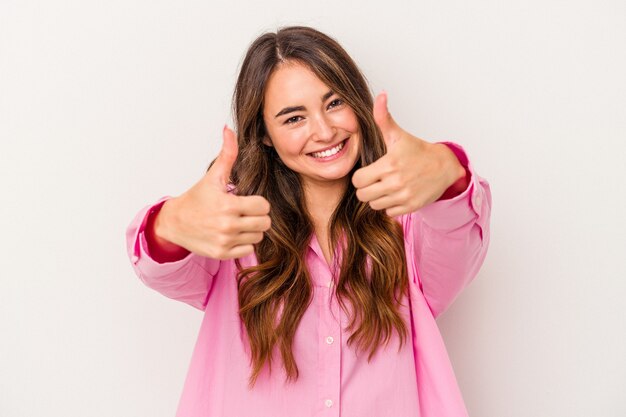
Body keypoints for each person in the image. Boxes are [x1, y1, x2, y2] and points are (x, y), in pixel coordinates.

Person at [126, 26, 491, 417]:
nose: (323, 130)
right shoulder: (234, 225)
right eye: (293, 118)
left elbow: (461, 236)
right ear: (264, 135)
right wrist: (170, 224)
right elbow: (163, 268)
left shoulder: (407, 222)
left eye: (334, 103)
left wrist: (447, 173)